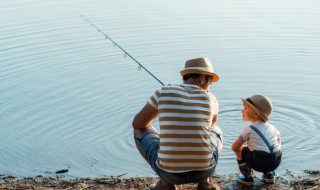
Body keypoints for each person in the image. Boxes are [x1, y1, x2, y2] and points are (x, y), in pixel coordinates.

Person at [132, 57, 223, 190]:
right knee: (217, 130)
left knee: (138, 130)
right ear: (202, 78)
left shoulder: (163, 92)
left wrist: (162, 110)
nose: (209, 87)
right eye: (210, 82)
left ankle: (165, 183)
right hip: (204, 170)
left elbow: (138, 123)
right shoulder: (211, 99)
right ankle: (205, 182)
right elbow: (211, 126)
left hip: (169, 174)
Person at [231, 94, 282, 186]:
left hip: (259, 162)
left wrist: (242, 148)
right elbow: (278, 143)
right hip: (276, 161)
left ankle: (246, 176)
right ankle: (269, 174)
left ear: (255, 114)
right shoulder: (273, 128)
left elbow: (234, 146)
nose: (242, 110)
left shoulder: (249, 129)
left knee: (240, 149)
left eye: (245, 108)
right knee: (270, 149)